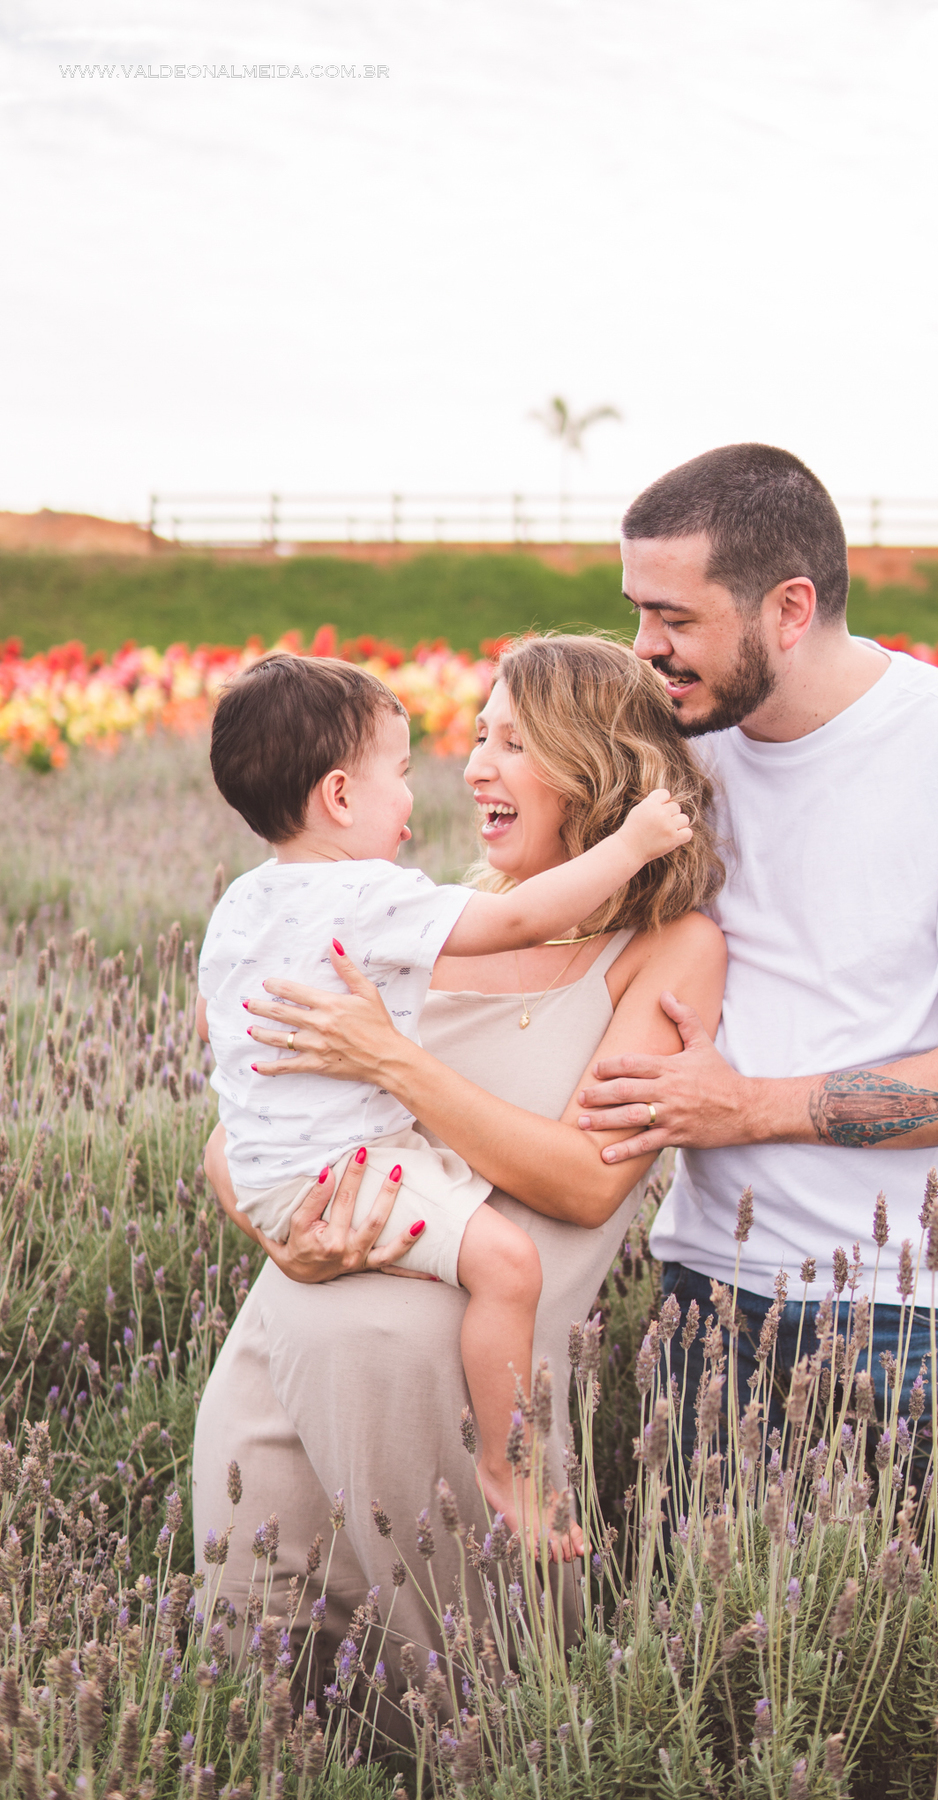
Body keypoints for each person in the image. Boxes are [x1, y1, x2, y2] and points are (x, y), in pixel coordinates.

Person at [191, 635, 726, 1715]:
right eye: (475, 736)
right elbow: (243, 1117)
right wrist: (270, 1224)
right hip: (279, 1383)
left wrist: (395, 1060)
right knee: (246, 1721)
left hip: (444, 1428)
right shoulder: (417, 916)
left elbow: (585, 1183)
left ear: (597, 770)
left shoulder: (669, 948)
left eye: (512, 741)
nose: (473, 766)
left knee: (492, 1723)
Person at [571, 443, 938, 1455]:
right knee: (685, 1612)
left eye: (675, 619)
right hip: (709, 1297)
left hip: (932, 1322)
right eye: (638, 611)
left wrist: (746, 1108)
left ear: (790, 610)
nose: (644, 647)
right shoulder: (668, 744)